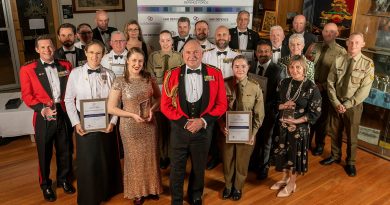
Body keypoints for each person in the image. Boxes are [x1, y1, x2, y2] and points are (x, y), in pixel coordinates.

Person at [161, 40, 227, 205]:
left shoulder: (215, 73)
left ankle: (195, 196)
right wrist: (184, 122)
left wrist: (203, 121)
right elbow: (165, 106)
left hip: (203, 131)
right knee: (177, 168)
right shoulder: (172, 74)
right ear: (182, 55)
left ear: (202, 54)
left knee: (199, 167)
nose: (192, 56)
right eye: (188, 52)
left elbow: (222, 104)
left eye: (196, 52)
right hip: (179, 130)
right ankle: (176, 199)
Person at [64, 40, 123, 205]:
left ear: (103, 54)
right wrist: (76, 123)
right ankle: (90, 195)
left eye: (98, 53)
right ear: (86, 53)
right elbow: (68, 100)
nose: (94, 56)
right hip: (84, 124)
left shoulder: (110, 74)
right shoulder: (75, 73)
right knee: (88, 162)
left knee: (105, 158)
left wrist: (113, 121)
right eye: (91, 52)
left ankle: (107, 191)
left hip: (106, 123)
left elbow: (116, 101)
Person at [20, 35, 75, 202]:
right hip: (43, 115)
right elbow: (27, 96)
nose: (47, 50)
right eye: (43, 47)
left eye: (50, 46)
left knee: (65, 150)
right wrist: (41, 109)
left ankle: (64, 180)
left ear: (54, 47)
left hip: (63, 112)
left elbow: (72, 90)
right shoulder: (27, 69)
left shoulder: (65, 65)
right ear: (37, 49)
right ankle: (45, 185)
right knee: (44, 154)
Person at [107, 47, 163, 205]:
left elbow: (159, 98)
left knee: (151, 157)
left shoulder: (148, 78)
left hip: (150, 124)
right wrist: (131, 115)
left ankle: (152, 189)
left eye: (140, 61)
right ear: (127, 61)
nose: (137, 64)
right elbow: (111, 108)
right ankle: (137, 192)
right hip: (130, 126)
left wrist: (153, 109)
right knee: (134, 159)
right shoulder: (120, 81)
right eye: (134, 60)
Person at [320, 32, 374, 177]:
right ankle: (335, 155)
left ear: (363, 44)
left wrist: (347, 104)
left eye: (357, 42)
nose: (353, 45)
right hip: (336, 102)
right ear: (346, 43)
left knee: (351, 134)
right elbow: (330, 82)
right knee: (335, 131)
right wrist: (336, 103)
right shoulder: (339, 60)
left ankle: (350, 162)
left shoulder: (368, 64)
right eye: (351, 42)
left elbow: (364, 90)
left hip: (353, 106)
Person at [272, 55, 321, 197]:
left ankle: (292, 183)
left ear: (304, 68)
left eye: (298, 67)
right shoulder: (284, 83)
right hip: (283, 125)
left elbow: (315, 113)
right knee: (283, 154)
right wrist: (282, 105)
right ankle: (285, 179)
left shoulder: (311, 87)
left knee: (293, 156)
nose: (294, 70)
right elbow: (274, 102)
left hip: (299, 129)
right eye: (292, 67)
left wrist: (296, 121)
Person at [220, 55, 264, 201]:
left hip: (247, 132)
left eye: (243, 66)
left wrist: (253, 133)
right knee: (228, 160)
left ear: (248, 68)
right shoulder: (223, 84)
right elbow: (217, 109)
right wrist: (221, 126)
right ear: (232, 68)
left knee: (242, 162)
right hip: (227, 131)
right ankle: (227, 186)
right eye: (236, 66)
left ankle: (237, 187)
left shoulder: (255, 87)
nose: (240, 69)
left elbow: (259, 114)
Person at [305, 23, 347, 156]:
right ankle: (306, 142)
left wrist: (322, 86)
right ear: (322, 32)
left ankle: (319, 144)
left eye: (332, 32)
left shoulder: (341, 52)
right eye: (326, 31)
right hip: (310, 88)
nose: (328, 34)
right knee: (308, 115)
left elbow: (340, 76)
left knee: (322, 120)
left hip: (325, 90)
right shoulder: (314, 46)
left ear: (337, 34)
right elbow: (305, 64)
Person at [202, 25, 239, 170]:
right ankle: (214, 156)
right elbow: (204, 76)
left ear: (229, 37)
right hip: (212, 96)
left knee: (228, 127)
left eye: (224, 35)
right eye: (219, 35)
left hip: (231, 97)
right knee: (212, 127)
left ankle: (228, 158)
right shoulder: (206, 55)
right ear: (214, 37)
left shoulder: (236, 55)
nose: (221, 37)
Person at [147, 30, 184, 169]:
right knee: (161, 128)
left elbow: (182, 78)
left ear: (172, 41)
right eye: (162, 40)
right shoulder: (153, 57)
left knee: (174, 128)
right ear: (159, 42)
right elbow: (150, 79)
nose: (165, 43)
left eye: (168, 40)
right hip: (158, 98)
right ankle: (163, 156)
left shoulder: (179, 57)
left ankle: (174, 155)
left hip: (175, 99)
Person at [249, 41, 285, 179]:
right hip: (252, 111)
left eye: (266, 51)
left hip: (268, 111)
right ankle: (252, 163)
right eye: (260, 51)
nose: (263, 54)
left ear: (271, 53)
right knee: (254, 138)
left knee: (266, 141)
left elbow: (280, 96)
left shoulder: (278, 70)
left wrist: (271, 109)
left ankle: (264, 167)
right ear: (256, 53)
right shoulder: (250, 66)